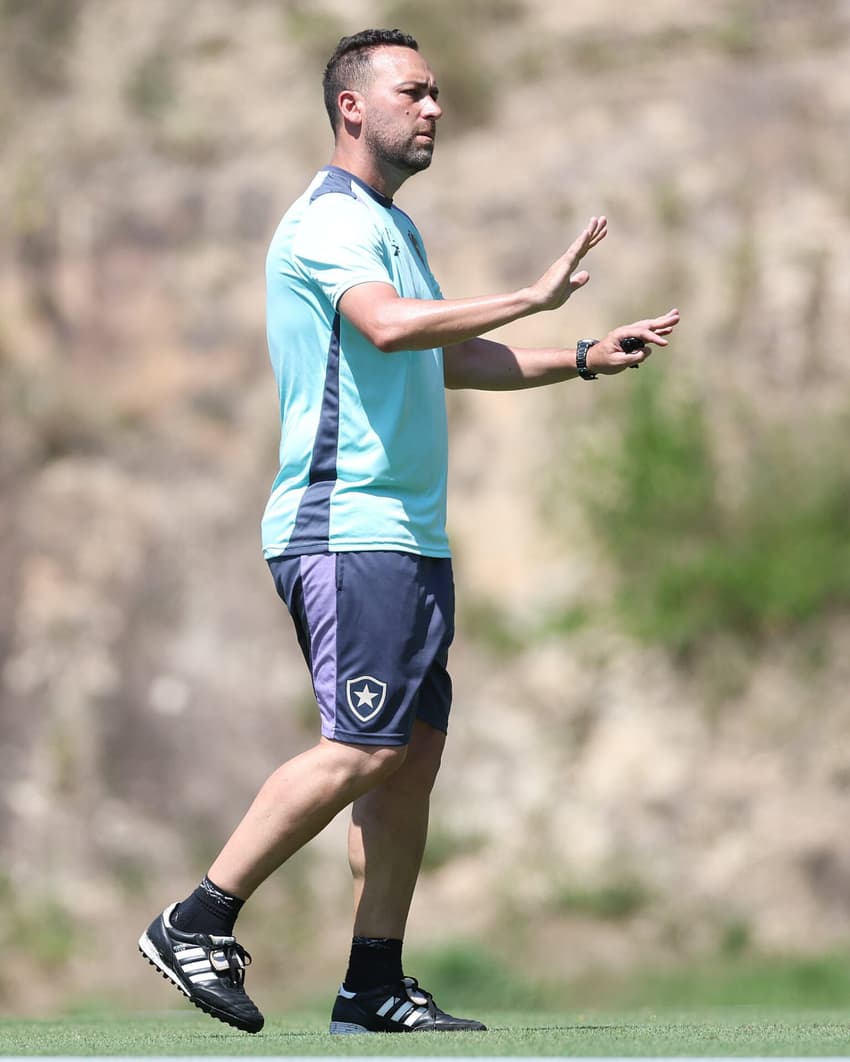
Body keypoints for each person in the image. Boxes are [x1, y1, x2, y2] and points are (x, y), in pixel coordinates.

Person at [138, 27, 680, 1036]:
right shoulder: (326, 225)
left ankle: (373, 984)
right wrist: (531, 291)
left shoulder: (392, 227)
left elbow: (444, 355)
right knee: (361, 746)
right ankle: (196, 917)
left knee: (410, 754)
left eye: (436, 94)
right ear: (352, 107)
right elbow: (389, 327)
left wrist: (580, 353)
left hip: (405, 538)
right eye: (413, 93)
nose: (433, 108)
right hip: (345, 528)